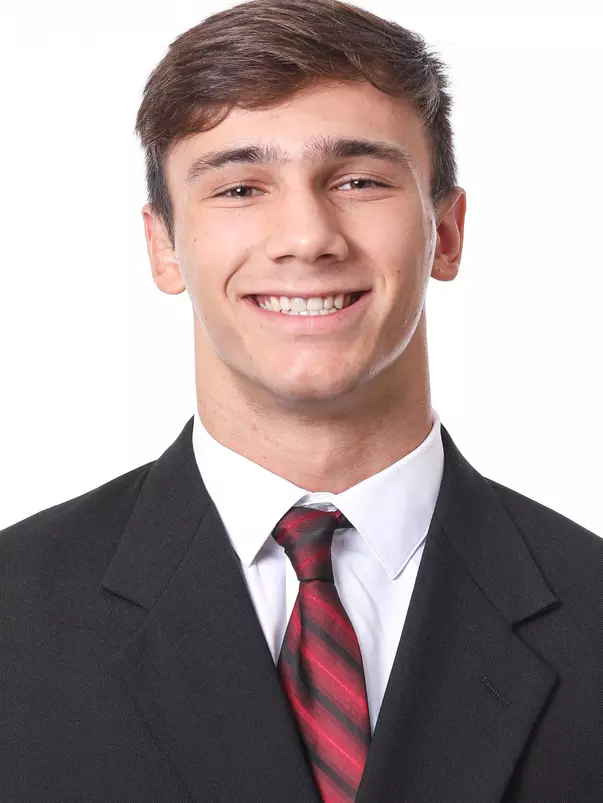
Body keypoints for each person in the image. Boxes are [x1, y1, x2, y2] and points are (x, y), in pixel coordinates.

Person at [2, 0, 602, 800]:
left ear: (446, 232)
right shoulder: (15, 612)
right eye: (241, 187)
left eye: (358, 180)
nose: (307, 236)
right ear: (163, 245)